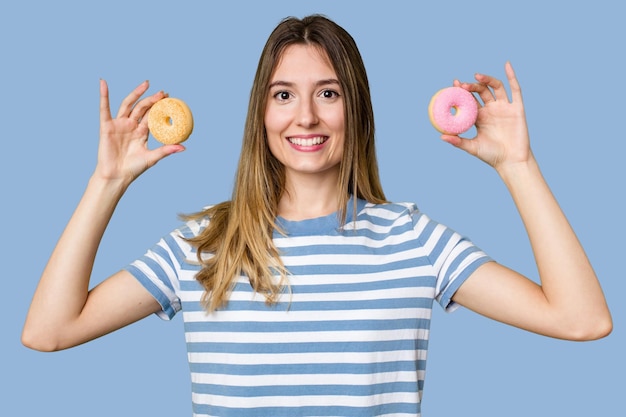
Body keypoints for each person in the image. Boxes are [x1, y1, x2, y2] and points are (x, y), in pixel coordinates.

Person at [22, 14, 611, 417]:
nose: (305, 116)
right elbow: (49, 331)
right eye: (283, 95)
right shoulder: (204, 244)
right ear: (261, 114)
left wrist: (518, 165)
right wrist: (107, 182)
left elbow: (581, 318)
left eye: (328, 93)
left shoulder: (412, 238)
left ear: (355, 109)